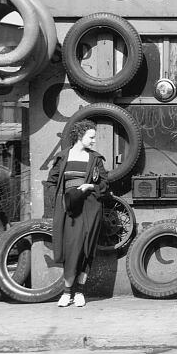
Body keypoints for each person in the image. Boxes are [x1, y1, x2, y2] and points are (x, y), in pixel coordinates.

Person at [46, 119, 110, 308]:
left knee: (86, 249)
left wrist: (90, 186)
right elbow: (51, 183)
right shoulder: (62, 157)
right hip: (69, 210)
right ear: (80, 136)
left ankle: (80, 292)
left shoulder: (95, 159)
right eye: (91, 137)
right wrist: (60, 201)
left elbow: (104, 184)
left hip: (90, 208)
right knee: (71, 248)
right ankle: (67, 293)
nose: (94, 141)